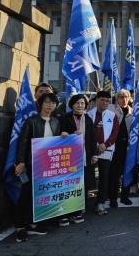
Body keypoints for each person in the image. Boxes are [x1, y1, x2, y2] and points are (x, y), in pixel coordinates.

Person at [14, 92, 62, 242]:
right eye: (47, 102)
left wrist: (65, 136)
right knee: (26, 194)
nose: (50, 105)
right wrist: (21, 162)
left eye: (53, 103)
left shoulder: (56, 122)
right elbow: (23, 142)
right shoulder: (31, 121)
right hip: (32, 163)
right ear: (40, 104)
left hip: (48, 165)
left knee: (40, 195)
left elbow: (57, 142)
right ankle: (20, 227)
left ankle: (33, 224)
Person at [58, 94, 99, 227]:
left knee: (81, 184)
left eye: (82, 103)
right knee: (67, 184)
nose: (80, 105)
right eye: (77, 103)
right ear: (72, 105)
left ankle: (77, 210)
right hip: (68, 157)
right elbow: (58, 134)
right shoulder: (64, 118)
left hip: (84, 156)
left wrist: (94, 154)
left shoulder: (88, 119)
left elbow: (92, 138)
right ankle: (63, 213)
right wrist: (66, 135)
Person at [88, 90, 119, 216]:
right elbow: (88, 132)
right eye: (102, 100)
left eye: (107, 101)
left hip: (107, 150)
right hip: (91, 150)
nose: (105, 102)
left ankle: (100, 202)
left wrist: (105, 145)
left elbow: (115, 133)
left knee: (104, 177)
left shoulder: (113, 115)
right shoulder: (88, 115)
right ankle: (83, 203)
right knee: (88, 177)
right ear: (97, 100)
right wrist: (95, 145)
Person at [107, 89, 134, 208]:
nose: (124, 99)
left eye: (126, 97)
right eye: (121, 97)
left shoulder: (133, 112)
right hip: (115, 145)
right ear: (117, 99)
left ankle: (124, 196)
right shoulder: (111, 109)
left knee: (127, 171)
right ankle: (113, 198)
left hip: (128, 146)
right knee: (114, 172)